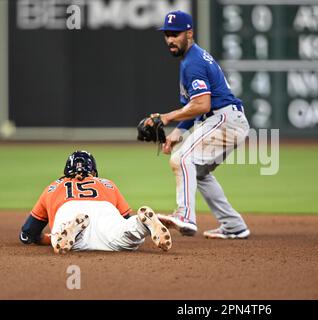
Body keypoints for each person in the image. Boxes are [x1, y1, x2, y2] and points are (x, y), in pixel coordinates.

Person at [146, 10, 250, 239]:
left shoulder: (192, 63)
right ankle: (234, 225)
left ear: (189, 33)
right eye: (167, 34)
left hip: (224, 119)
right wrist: (178, 132)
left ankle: (184, 215)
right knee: (198, 172)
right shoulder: (191, 60)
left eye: (176, 34)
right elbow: (193, 107)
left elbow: (202, 105)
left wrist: (166, 118)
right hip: (227, 120)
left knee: (182, 159)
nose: (170, 39)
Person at [19, 150, 172, 254]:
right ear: (93, 171)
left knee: (64, 239)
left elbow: (28, 234)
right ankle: (140, 225)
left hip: (69, 210)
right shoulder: (107, 184)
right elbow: (124, 218)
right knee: (125, 236)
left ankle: (73, 230)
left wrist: (43, 238)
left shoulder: (53, 187)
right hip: (104, 210)